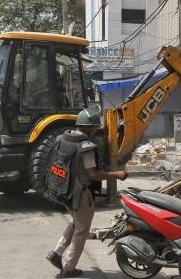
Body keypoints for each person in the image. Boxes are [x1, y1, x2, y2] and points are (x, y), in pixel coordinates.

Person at [46, 105, 127, 278]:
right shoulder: (86, 147)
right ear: (89, 128)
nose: (96, 130)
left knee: (76, 223)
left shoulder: (62, 139)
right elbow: (93, 174)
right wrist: (117, 174)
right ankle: (68, 269)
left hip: (62, 190)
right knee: (82, 230)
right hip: (79, 193)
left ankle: (56, 253)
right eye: (94, 127)